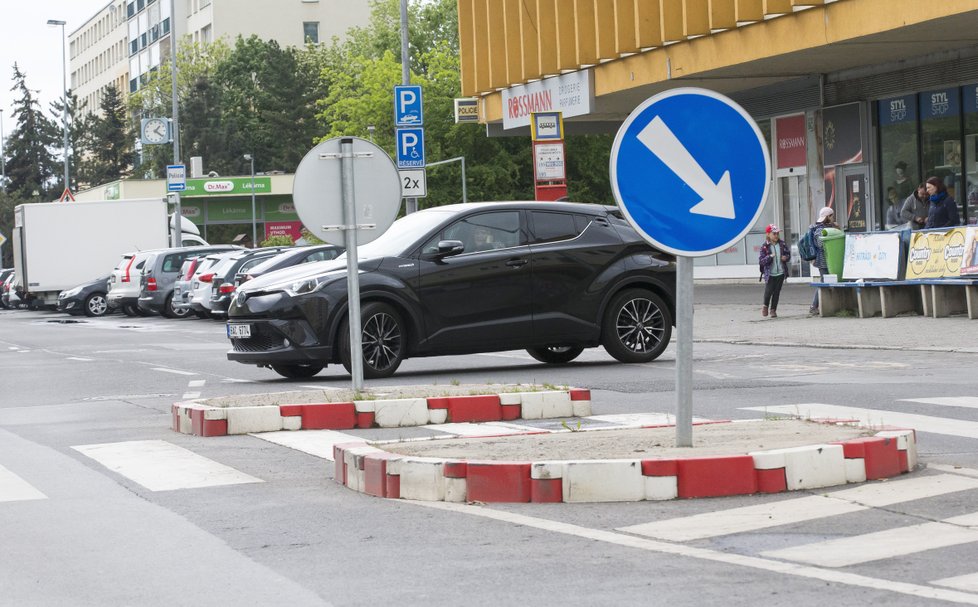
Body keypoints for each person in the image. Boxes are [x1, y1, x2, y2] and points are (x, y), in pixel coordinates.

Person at [808, 206, 839, 316]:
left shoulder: (826, 227)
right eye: (832, 216)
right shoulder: (819, 229)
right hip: (823, 261)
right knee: (824, 282)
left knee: (827, 282)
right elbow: (821, 244)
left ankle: (823, 305)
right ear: (828, 216)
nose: (833, 218)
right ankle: (814, 306)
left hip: (829, 260)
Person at [759, 224, 790, 318]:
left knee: (776, 292)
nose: (776, 235)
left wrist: (786, 258)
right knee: (768, 291)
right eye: (774, 233)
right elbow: (761, 260)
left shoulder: (782, 244)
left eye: (777, 233)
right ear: (768, 234)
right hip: (770, 274)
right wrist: (769, 257)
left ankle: (773, 310)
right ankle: (765, 306)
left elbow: (788, 254)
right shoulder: (765, 246)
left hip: (780, 272)